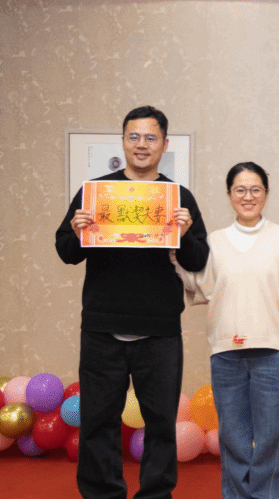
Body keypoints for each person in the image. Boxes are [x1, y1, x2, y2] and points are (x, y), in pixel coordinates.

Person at [55, 105, 210, 499]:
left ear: (164, 144)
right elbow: (67, 252)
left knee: (161, 424)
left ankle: (156, 494)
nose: (142, 144)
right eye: (134, 136)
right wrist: (76, 230)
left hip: (160, 331)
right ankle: (102, 493)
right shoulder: (95, 193)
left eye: (151, 137)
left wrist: (185, 233)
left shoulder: (178, 197)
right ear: (123, 141)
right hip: (101, 328)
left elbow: (198, 260)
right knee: (97, 421)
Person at [174, 162, 279, 499]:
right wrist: (173, 244)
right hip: (226, 356)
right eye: (240, 189)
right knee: (232, 439)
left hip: (274, 356)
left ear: (266, 194)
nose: (248, 196)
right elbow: (197, 285)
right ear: (229, 194)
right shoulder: (214, 242)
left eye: (255, 190)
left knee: (270, 440)